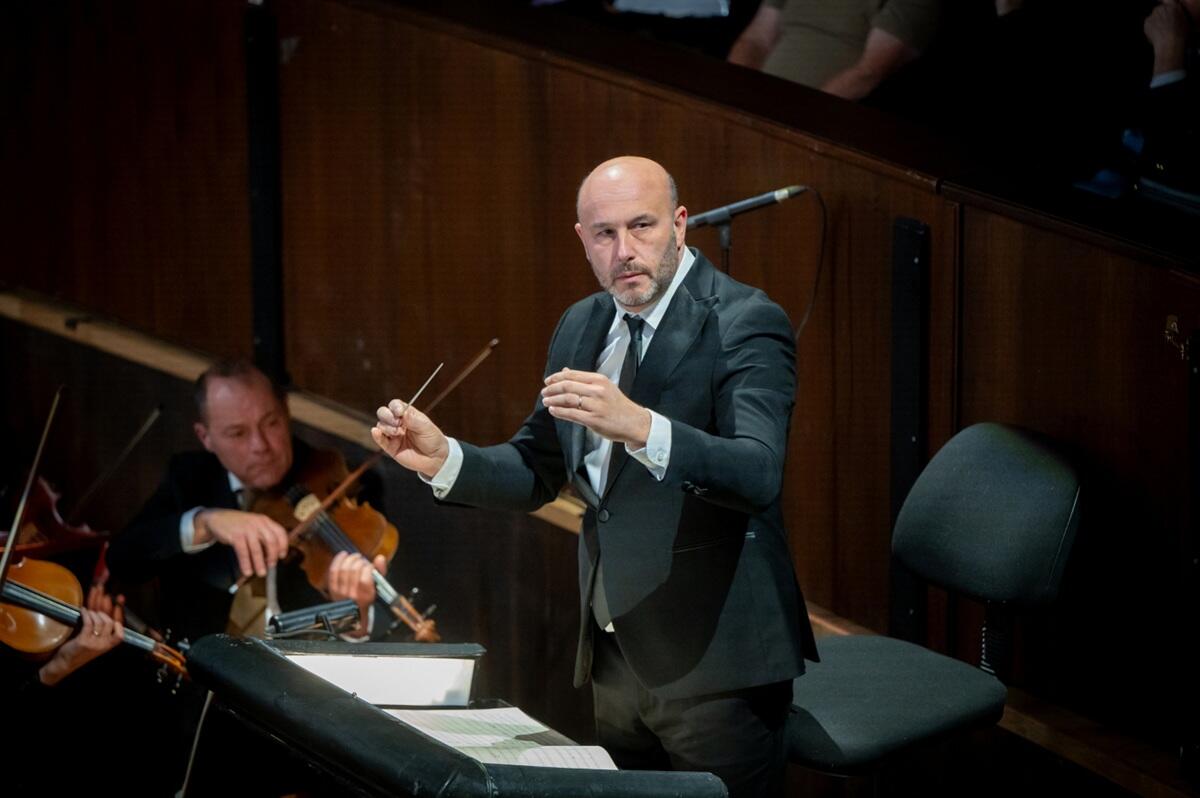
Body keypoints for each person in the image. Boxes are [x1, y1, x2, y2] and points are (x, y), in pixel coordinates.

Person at [372, 156, 816, 797]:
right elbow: (537, 467)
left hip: (719, 664)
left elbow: (758, 471)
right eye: (604, 234)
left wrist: (639, 425)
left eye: (642, 226)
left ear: (681, 224)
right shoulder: (583, 323)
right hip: (616, 652)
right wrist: (446, 457)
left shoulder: (744, 320)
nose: (625, 251)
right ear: (582, 239)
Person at [107, 360, 387, 645]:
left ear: (287, 412)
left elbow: (378, 627)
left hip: (302, 678)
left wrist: (356, 615)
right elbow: (123, 560)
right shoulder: (190, 478)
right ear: (206, 437)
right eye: (238, 433)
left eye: (271, 423)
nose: (260, 446)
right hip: (206, 674)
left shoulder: (341, 484)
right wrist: (205, 522)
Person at [727, 0, 941, 100]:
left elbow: (869, 73)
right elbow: (756, 39)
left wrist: (792, 119)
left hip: (822, 126)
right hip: (758, 108)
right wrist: (734, 98)